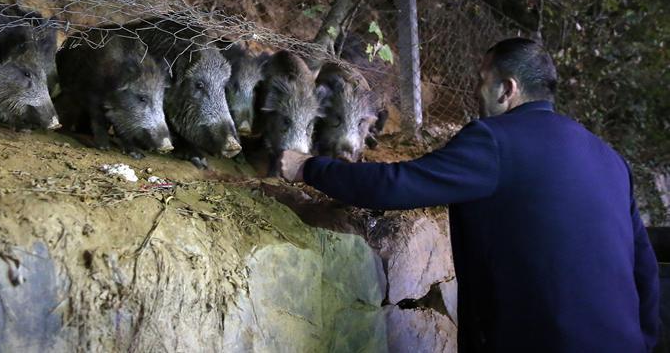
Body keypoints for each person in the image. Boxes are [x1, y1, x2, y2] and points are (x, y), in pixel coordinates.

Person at [279, 38, 660, 352]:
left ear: (506, 89)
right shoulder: (610, 159)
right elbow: (644, 266)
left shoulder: (496, 142)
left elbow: (397, 185)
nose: (477, 91)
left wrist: (306, 167)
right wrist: (644, 340)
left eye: (482, 80)